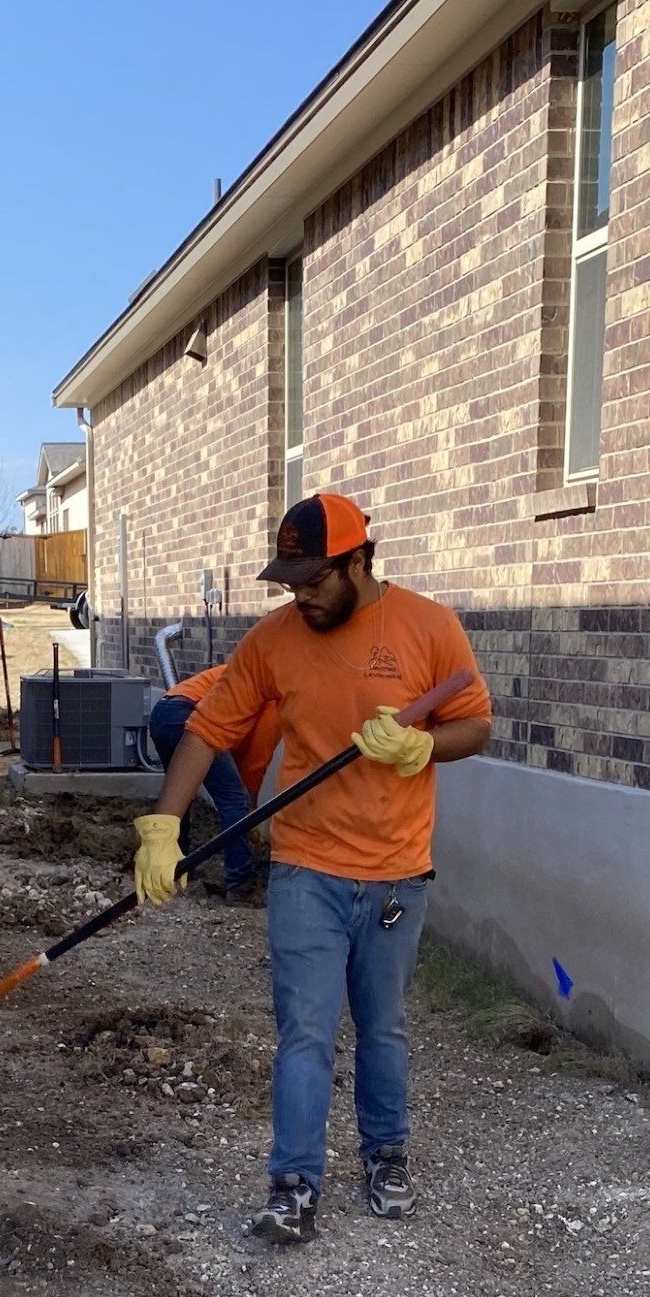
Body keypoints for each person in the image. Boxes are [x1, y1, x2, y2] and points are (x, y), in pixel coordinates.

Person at [131, 492, 492, 1245]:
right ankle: (293, 1185)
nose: (301, 595)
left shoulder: (429, 627)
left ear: (360, 559)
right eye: (289, 582)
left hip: (397, 879)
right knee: (305, 1031)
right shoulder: (274, 641)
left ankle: (386, 1157)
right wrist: (163, 825)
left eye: (315, 579)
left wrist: (425, 747)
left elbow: (475, 722)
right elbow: (205, 730)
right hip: (305, 870)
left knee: (384, 1027)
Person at [146, 665, 280, 903]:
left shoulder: (253, 673)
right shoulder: (273, 699)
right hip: (188, 712)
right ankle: (240, 884)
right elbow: (254, 763)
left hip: (163, 712)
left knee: (181, 795)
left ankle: (175, 868)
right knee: (234, 799)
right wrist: (249, 812)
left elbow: (240, 756)